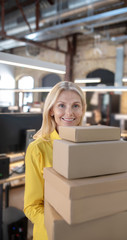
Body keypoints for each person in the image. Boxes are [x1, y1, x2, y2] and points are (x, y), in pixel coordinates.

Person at [24, 81, 86, 240]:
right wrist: (57, 225)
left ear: (82, 110)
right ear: (51, 110)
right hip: (51, 234)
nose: (69, 113)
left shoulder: (89, 146)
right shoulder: (37, 149)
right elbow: (31, 206)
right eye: (61, 106)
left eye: (75, 106)